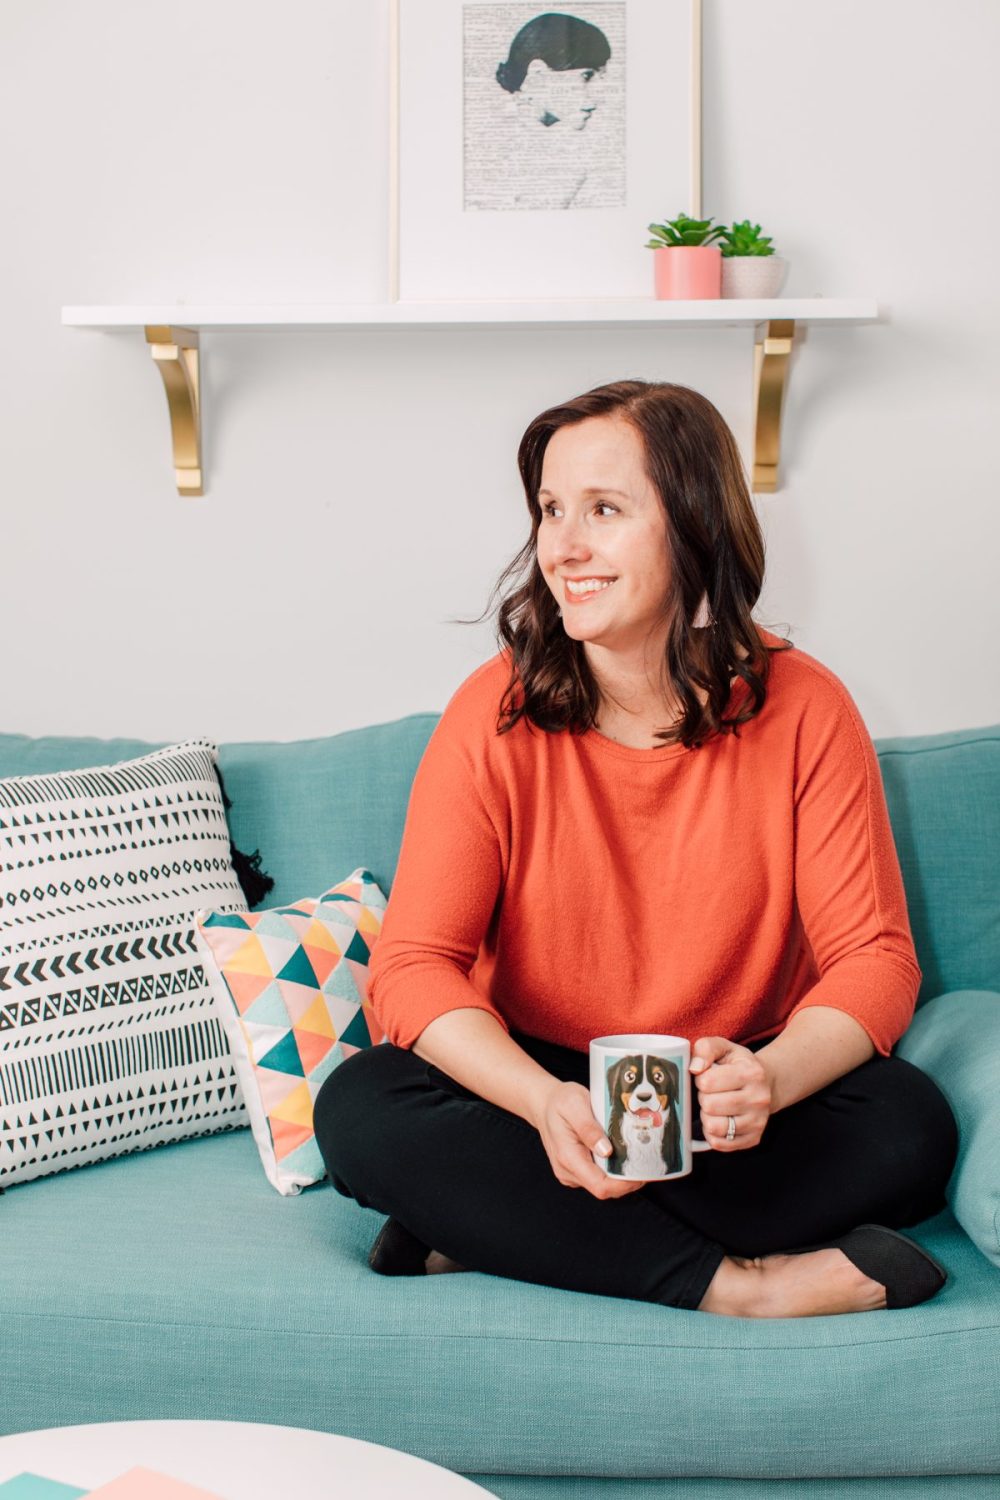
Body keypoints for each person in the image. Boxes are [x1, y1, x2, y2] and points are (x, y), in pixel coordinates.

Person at [312, 380, 959, 1317]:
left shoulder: (808, 708)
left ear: (693, 525)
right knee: (362, 1109)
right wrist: (541, 1105)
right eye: (550, 510)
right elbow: (415, 967)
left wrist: (769, 1082)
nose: (563, 547)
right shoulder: (492, 713)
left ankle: (505, 1231)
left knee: (908, 1127)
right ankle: (739, 1288)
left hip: (724, 1094)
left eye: (604, 511)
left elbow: (875, 960)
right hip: (539, 1088)